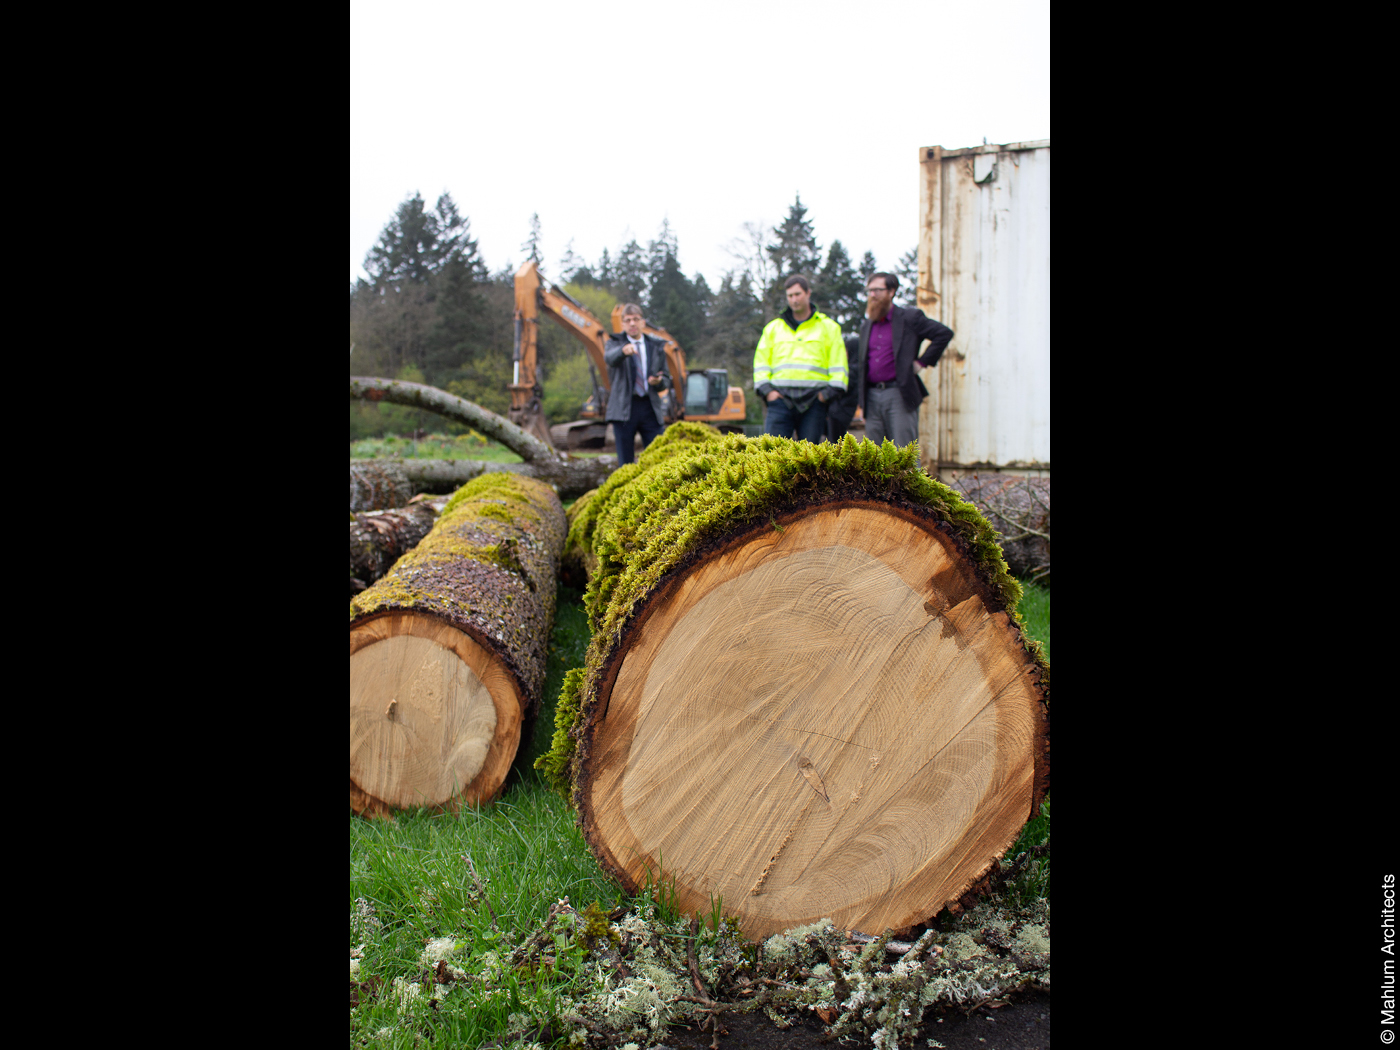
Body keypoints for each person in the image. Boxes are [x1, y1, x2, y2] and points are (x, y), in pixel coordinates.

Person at [853, 272, 954, 447]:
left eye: (877, 290)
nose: (872, 295)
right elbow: (863, 365)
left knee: (905, 453)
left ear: (891, 291)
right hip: (871, 397)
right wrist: (862, 403)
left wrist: (921, 362)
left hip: (899, 393)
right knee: (875, 458)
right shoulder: (866, 325)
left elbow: (943, 334)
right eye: (869, 291)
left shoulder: (909, 318)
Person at [753, 276, 848, 442]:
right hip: (779, 400)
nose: (794, 300)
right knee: (771, 453)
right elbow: (761, 362)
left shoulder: (829, 328)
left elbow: (839, 364)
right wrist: (768, 392)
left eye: (798, 294)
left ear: (808, 293)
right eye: (790, 296)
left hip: (814, 402)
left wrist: (826, 395)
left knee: (809, 458)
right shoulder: (773, 328)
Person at [604, 303, 674, 464]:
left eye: (636, 319)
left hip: (650, 408)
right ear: (622, 324)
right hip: (624, 409)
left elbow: (666, 380)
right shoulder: (615, 343)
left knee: (658, 459)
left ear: (643, 322)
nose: (632, 324)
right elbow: (609, 359)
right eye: (628, 320)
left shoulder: (656, 346)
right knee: (625, 463)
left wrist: (658, 381)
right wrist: (623, 352)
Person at [826, 333, 862, 442]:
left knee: (835, 441)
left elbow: (844, 389)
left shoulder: (852, 370)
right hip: (840, 411)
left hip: (840, 412)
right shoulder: (855, 368)